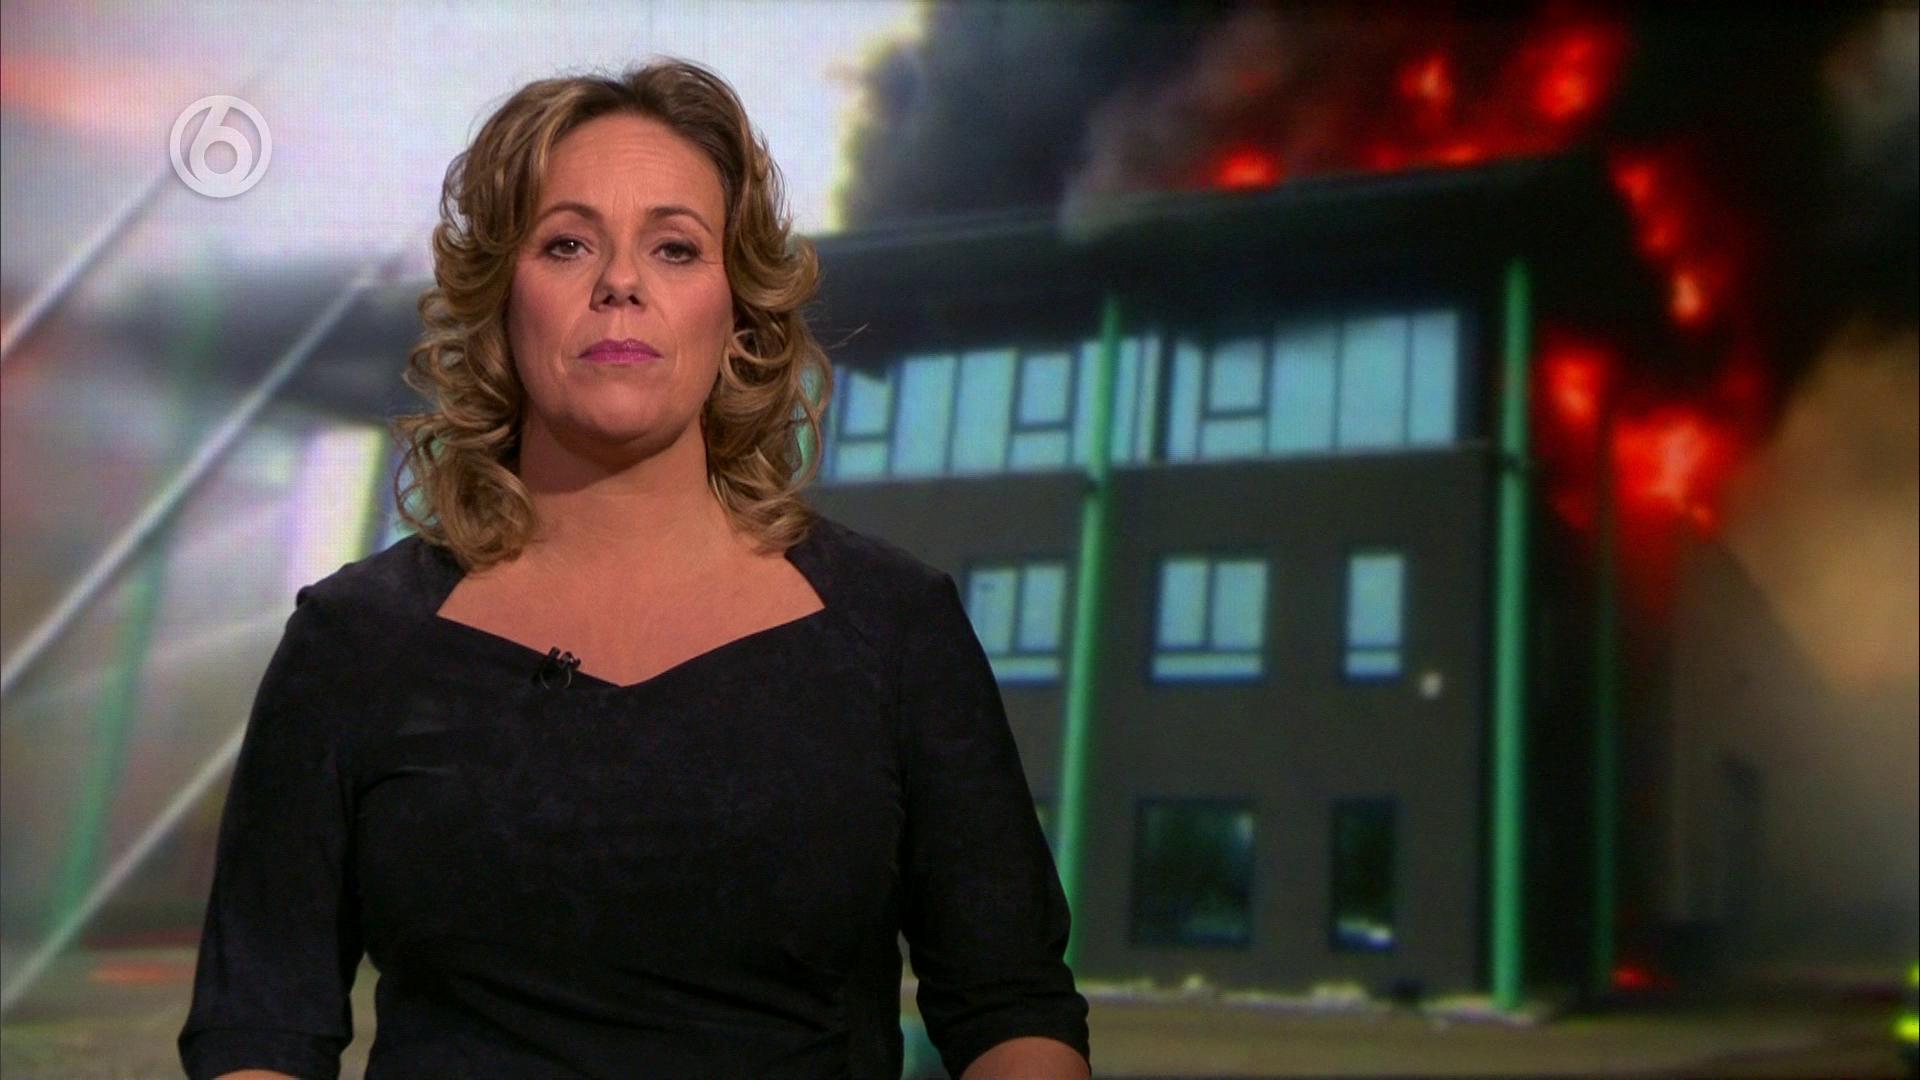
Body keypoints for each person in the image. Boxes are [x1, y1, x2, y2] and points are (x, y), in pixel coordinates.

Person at [176, 58, 1090, 1080]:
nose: (620, 282)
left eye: (675, 247)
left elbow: (1012, 1007)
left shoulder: (895, 626)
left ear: (738, 313)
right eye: (567, 243)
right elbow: (260, 1028)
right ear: (500, 300)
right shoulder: (355, 641)